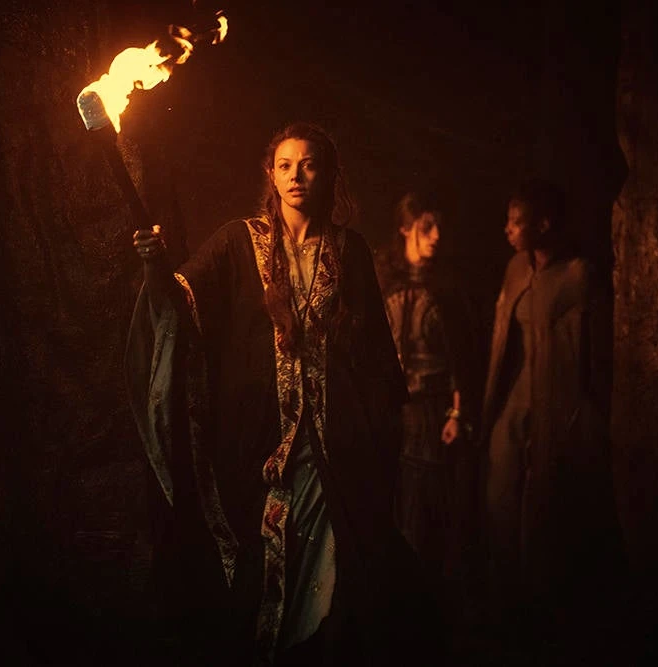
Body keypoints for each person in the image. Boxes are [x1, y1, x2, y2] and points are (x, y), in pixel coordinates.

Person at [126, 122, 441, 666]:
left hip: (334, 442)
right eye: (286, 165)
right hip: (260, 441)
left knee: (334, 560)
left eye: (309, 164)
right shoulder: (236, 240)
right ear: (271, 175)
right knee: (268, 560)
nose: (297, 175)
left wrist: (382, 425)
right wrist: (155, 265)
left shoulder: (349, 251)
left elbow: (373, 351)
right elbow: (181, 304)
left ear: (329, 175)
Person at [479, 177, 625, 661]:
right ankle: (506, 607)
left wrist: (592, 415)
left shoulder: (579, 275)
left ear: (543, 224)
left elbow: (598, 354)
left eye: (516, 221)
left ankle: (549, 621)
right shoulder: (515, 269)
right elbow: (503, 344)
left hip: (559, 408)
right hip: (516, 404)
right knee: (502, 496)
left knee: (549, 512)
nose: (507, 229)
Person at [374, 191, 481, 626]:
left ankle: (428, 608)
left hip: (433, 412)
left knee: (428, 510)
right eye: (426, 227)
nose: (436, 236)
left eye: (440, 227)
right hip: (392, 412)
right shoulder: (384, 281)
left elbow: (463, 357)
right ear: (405, 228)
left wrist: (458, 412)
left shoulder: (447, 288)